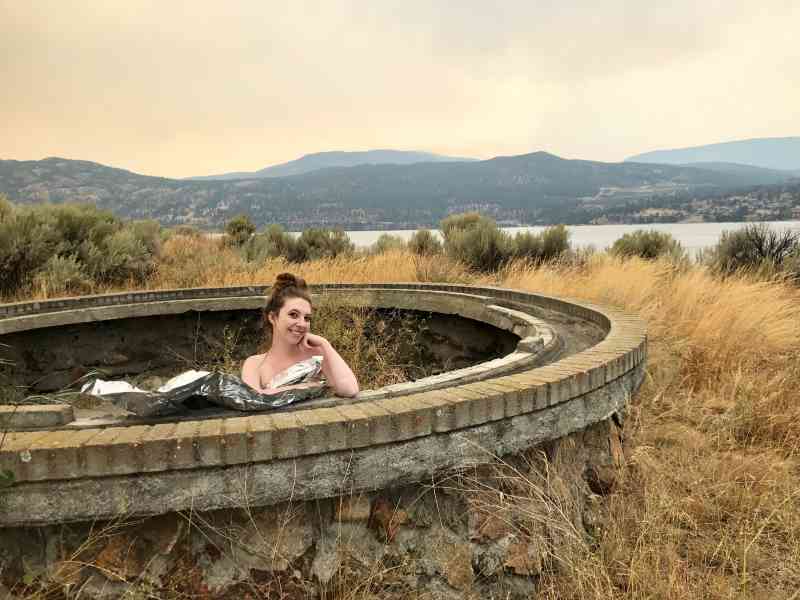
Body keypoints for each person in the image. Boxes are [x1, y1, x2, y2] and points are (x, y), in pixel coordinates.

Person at [241, 273, 359, 397]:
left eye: (307, 318)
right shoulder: (254, 364)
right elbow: (251, 399)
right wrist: (307, 386)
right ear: (273, 317)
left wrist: (325, 344)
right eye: (293, 315)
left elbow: (350, 390)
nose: (302, 324)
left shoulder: (317, 356)